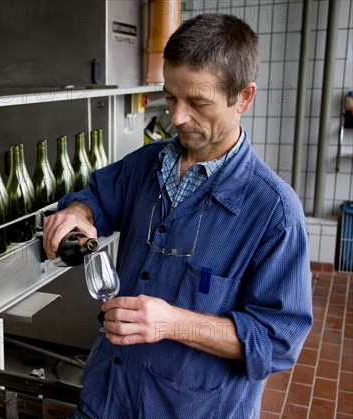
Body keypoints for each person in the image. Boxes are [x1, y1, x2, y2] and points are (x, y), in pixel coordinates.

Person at [43, 13, 313, 419]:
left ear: (244, 97)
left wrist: (174, 324)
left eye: (198, 102)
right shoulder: (147, 164)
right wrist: (78, 211)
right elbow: (96, 196)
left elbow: (278, 341)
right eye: (170, 98)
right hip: (106, 399)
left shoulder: (274, 212)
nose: (177, 117)